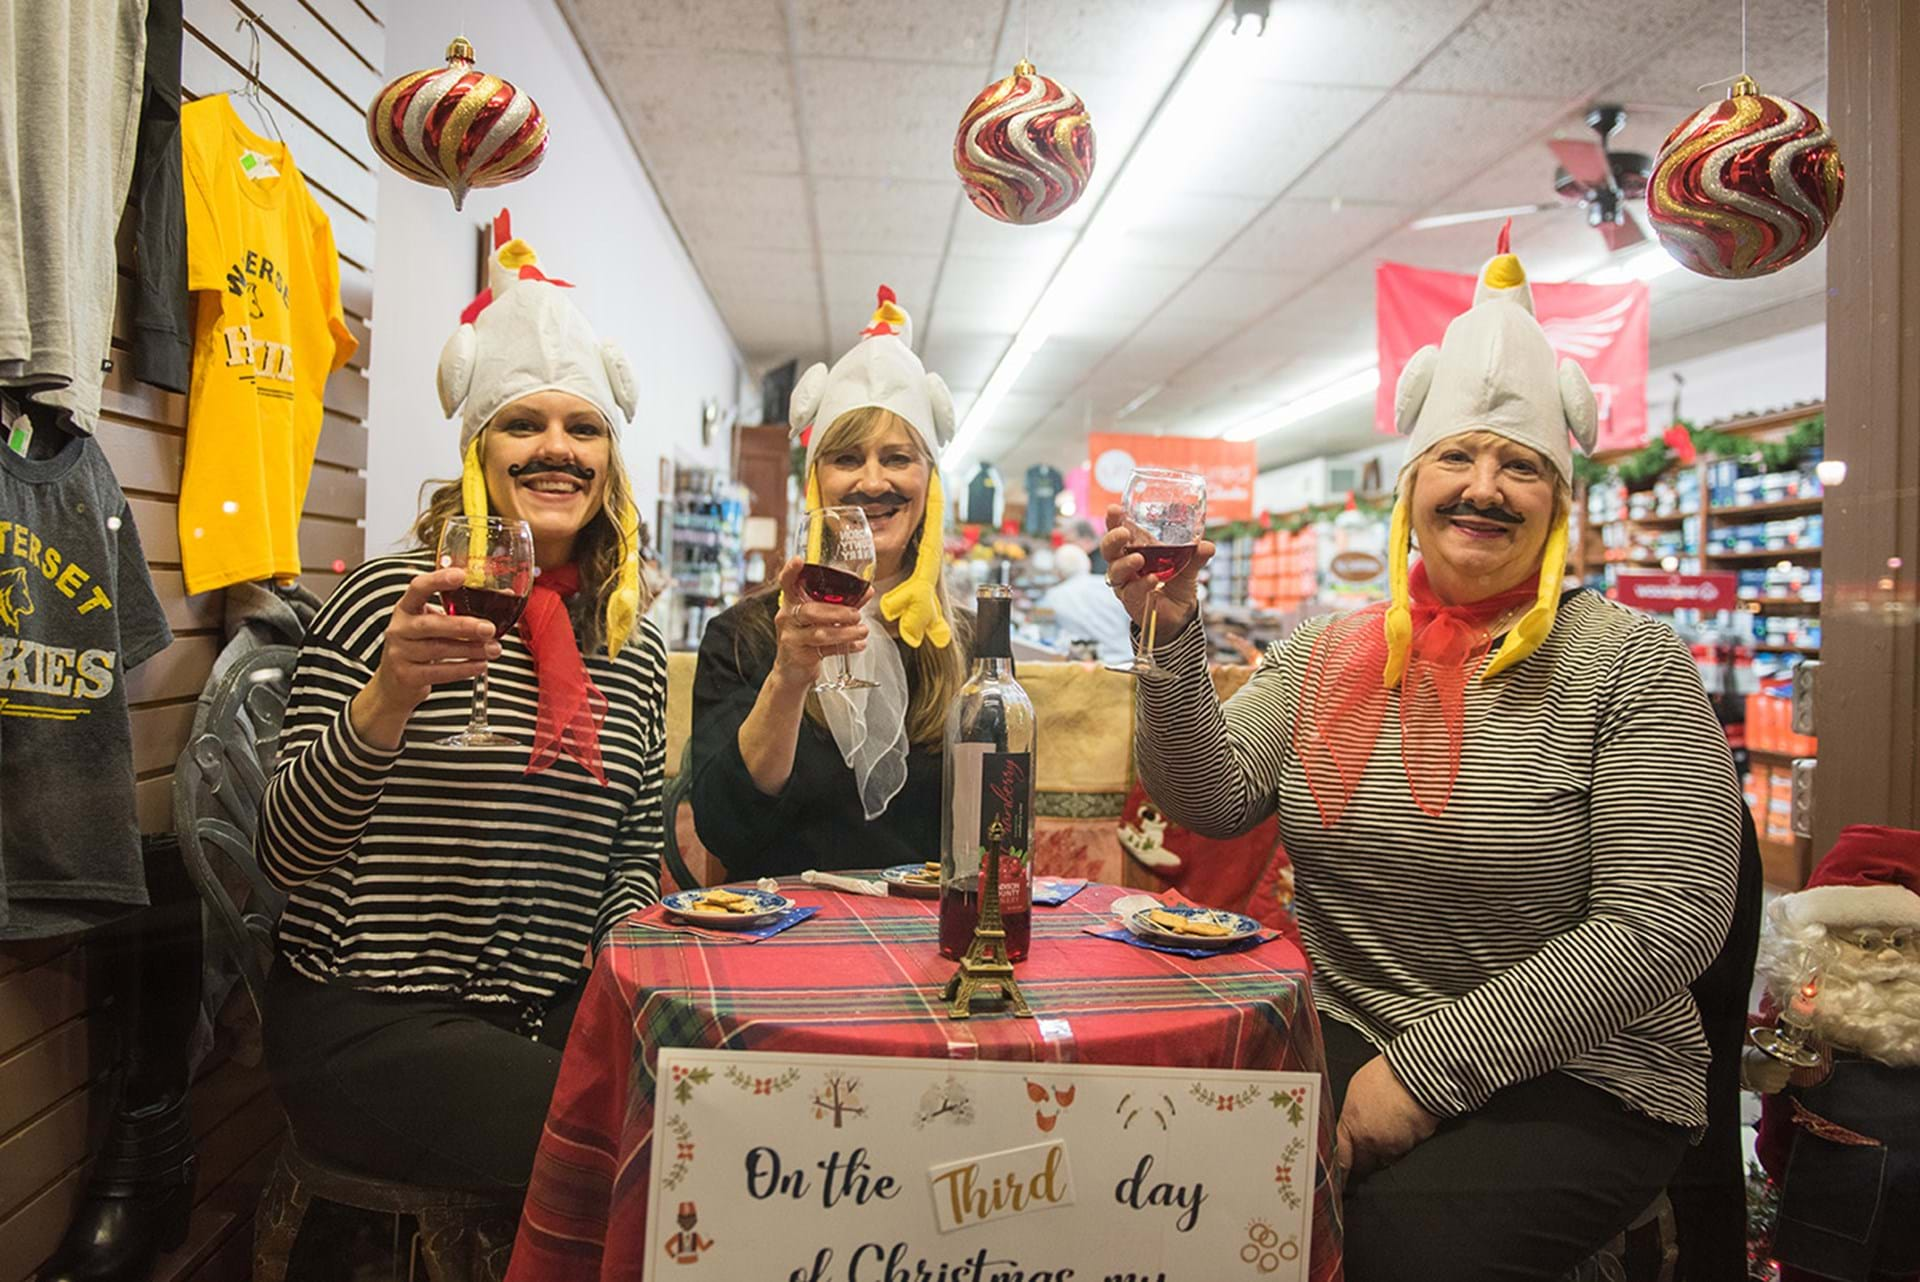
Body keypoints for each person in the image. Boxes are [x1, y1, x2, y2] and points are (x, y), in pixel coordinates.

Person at [1108, 236, 1742, 1281]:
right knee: (1187, 1192)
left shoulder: (1630, 664)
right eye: (1457, 457)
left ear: (1557, 498)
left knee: (1382, 1251)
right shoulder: (1327, 650)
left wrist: (1424, 1075)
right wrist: (1169, 638)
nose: (1483, 488)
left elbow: (1665, 918)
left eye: (1520, 464)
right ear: (1413, 483)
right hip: (1353, 1028)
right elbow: (1210, 798)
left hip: (1587, 1078)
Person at [257, 215, 667, 1196]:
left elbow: (630, 858)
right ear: (481, 450)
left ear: (610, 457)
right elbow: (283, 855)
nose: (555, 449)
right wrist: (390, 695)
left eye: (583, 427)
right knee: (645, 1161)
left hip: (549, 1014)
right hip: (370, 1020)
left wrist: (612, 1000)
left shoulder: (633, 647)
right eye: (524, 424)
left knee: (712, 1117)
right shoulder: (391, 602)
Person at [690, 286, 970, 878]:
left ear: (930, 484)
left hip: (923, 945)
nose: (872, 482)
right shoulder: (741, 637)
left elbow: (992, 826)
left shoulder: (969, 649)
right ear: (817, 483)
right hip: (776, 941)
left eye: (898, 458)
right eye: (846, 459)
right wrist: (789, 678)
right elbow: (722, 827)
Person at [1745, 825, 1920, 1282]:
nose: (1886, 960)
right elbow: (1777, 1113)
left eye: (1902, 942)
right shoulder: (1804, 1019)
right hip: (1827, 1205)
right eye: (1866, 942)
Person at [1041, 542, 1135, 662]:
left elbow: (1045, 636)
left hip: (1087, 667)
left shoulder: (1052, 596)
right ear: (1088, 564)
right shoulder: (1111, 587)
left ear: (1058, 572)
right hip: (1126, 662)